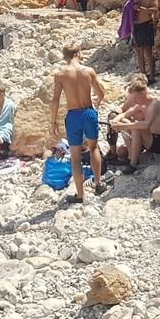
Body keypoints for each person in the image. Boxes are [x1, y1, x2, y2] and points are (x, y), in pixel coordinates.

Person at [50, 44, 107, 203]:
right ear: (79, 53)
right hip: (89, 112)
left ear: (64, 56)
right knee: (93, 147)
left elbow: (55, 100)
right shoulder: (88, 71)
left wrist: (53, 121)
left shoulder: (60, 74)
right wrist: (96, 104)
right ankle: (98, 183)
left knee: (75, 156)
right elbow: (101, 92)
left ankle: (80, 195)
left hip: (73, 115)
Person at [109, 76, 160, 173]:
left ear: (143, 94)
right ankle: (130, 155)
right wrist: (116, 121)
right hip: (151, 138)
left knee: (136, 128)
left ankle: (133, 164)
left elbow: (146, 125)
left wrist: (123, 126)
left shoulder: (154, 105)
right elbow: (125, 114)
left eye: (135, 98)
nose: (134, 101)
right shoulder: (141, 104)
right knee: (121, 151)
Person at [131, 0, 160, 82]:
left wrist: (140, 8)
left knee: (148, 50)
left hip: (147, 23)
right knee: (139, 51)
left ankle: (152, 76)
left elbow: (155, 10)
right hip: (136, 25)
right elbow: (129, 7)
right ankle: (143, 75)